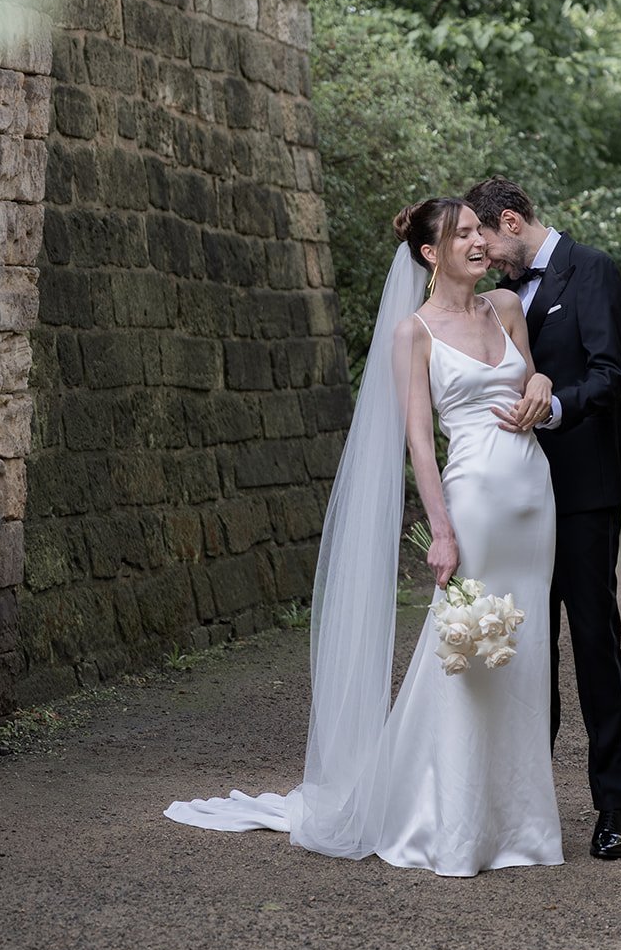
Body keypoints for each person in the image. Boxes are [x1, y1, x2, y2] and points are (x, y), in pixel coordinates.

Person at [164, 198, 563, 877]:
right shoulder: (414, 333)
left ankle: (520, 825)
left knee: (523, 658)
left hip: (534, 501)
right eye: (461, 233)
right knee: (464, 658)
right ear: (431, 255)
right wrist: (439, 529)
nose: (477, 240)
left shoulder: (506, 308)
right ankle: (451, 826)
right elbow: (417, 440)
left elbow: (533, 382)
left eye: (478, 229)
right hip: (473, 505)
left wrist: (544, 385)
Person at [465, 177, 621, 861]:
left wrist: (554, 407)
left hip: (583, 489)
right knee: (522, 647)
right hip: (513, 497)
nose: (487, 256)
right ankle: (523, 805)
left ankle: (611, 809)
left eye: (490, 240)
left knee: (593, 643)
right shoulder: (489, 301)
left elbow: (608, 373)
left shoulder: (590, 269)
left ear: (512, 219)